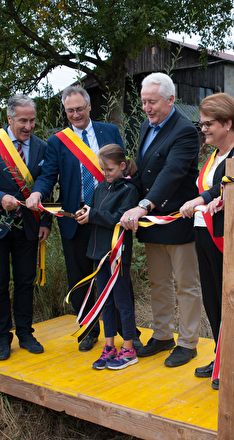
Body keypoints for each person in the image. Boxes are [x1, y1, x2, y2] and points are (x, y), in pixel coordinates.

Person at [26, 85, 126, 352]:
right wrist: (37, 192)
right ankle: (89, 330)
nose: (75, 114)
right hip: (75, 217)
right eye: (70, 110)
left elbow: (125, 171)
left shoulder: (110, 131)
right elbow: (49, 176)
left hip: (107, 216)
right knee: (81, 278)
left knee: (113, 274)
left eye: (80, 109)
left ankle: (124, 331)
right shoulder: (58, 141)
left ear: (90, 106)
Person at [120, 72, 202, 368]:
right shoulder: (145, 126)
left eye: (152, 102)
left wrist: (144, 205)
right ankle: (164, 334)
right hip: (151, 220)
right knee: (158, 282)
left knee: (186, 285)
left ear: (171, 99)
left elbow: (172, 172)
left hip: (177, 218)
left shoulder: (185, 131)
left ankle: (188, 342)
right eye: (143, 102)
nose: (147, 108)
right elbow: (146, 170)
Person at [179, 93, 234, 389]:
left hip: (229, 236)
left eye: (209, 123)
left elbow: (227, 185)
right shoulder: (213, 155)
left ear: (227, 123)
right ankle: (220, 354)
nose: (204, 129)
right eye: (201, 124)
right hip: (204, 231)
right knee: (213, 298)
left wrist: (200, 198)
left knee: (231, 300)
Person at [0, 94, 51, 361]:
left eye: (32, 120)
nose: (28, 126)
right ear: (9, 118)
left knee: (26, 282)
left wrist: (46, 221)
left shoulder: (41, 146)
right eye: (23, 120)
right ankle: (3, 337)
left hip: (29, 225)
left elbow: (47, 184)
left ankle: (25, 333)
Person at [75, 144, 140, 370]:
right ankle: (110, 346)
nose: (105, 174)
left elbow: (118, 217)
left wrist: (93, 214)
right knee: (106, 302)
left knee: (122, 301)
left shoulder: (129, 190)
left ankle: (129, 348)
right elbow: (97, 214)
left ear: (122, 166)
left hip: (117, 255)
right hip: (98, 253)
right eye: (103, 169)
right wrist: (85, 214)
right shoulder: (101, 188)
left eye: (110, 169)